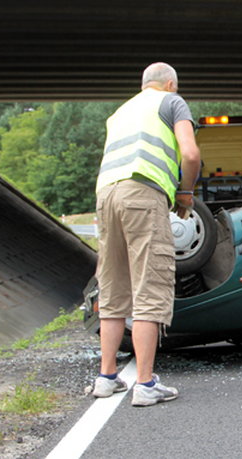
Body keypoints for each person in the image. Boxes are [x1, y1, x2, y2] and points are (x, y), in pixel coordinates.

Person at [91, 62, 201, 407]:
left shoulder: (121, 111)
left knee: (113, 286)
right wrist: (185, 192)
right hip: (143, 192)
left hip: (107, 194)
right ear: (170, 84)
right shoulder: (171, 101)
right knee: (149, 285)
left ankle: (106, 378)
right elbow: (191, 154)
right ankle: (145, 383)